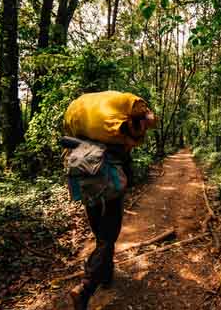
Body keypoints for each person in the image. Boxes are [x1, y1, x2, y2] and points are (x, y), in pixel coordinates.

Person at [62, 91, 156, 309]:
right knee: (109, 233)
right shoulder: (126, 107)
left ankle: (106, 273)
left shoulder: (81, 113)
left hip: (83, 171)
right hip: (108, 170)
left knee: (100, 231)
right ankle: (85, 287)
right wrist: (142, 123)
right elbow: (150, 120)